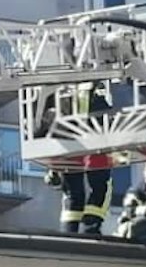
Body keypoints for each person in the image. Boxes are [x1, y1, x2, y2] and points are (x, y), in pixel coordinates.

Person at [36, 83, 116, 236]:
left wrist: (52, 167)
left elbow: (44, 123)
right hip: (91, 140)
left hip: (69, 142)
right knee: (99, 187)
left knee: (74, 192)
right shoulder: (93, 87)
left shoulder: (58, 88)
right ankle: (89, 229)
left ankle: (70, 233)